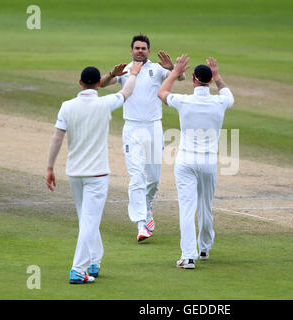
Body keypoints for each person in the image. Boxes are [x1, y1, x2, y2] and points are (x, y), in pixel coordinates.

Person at [46, 62, 143, 284]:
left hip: (75, 174)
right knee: (89, 221)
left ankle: (93, 262)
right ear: (99, 84)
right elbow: (126, 92)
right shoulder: (104, 103)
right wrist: (134, 74)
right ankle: (78, 270)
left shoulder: (67, 106)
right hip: (97, 174)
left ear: (80, 83)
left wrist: (50, 167)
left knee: (86, 218)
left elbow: (57, 138)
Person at [100, 34, 186, 242]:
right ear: (131, 51)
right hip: (132, 128)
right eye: (137, 48)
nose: (140, 51)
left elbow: (181, 79)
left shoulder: (157, 69)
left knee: (154, 179)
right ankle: (141, 222)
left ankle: (146, 209)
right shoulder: (125, 70)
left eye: (143, 48)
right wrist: (113, 73)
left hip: (154, 127)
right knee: (137, 176)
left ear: (148, 51)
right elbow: (102, 85)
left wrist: (173, 68)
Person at [158, 55, 234, 269]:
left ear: (193, 79)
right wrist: (218, 76)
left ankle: (188, 257)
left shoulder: (184, 100)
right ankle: (204, 248)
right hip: (208, 162)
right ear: (209, 81)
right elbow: (227, 93)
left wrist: (174, 72)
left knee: (187, 208)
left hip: (186, 161)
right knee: (205, 206)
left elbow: (161, 93)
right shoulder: (220, 101)